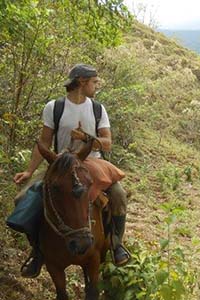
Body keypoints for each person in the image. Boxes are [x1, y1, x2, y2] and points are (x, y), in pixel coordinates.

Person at [13, 63, 130, 278]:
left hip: (93, 163)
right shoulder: (54, 107)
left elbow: (107, 143)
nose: (96, 86)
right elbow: (45, 142)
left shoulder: (97, 108)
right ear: (82, 82)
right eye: (94, 82)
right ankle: (38, 251)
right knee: (23, 198)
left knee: (119, 195)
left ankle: (116, 245)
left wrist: (86, 138)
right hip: (60, 164)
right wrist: (30, 171)